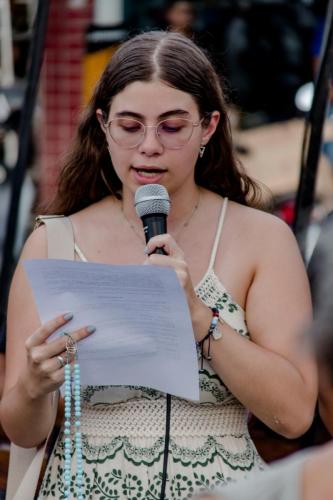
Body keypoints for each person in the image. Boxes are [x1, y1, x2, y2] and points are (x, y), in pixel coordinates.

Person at [0, 31, 317, 499]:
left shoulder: (262, 238)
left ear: (208, 127)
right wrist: (32, 384)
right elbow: (22, 432)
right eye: (130, 127)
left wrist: (202, 322)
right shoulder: (53, 242)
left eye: (172, 127)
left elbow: (293, 416)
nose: (149, 146)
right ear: (104, 125)